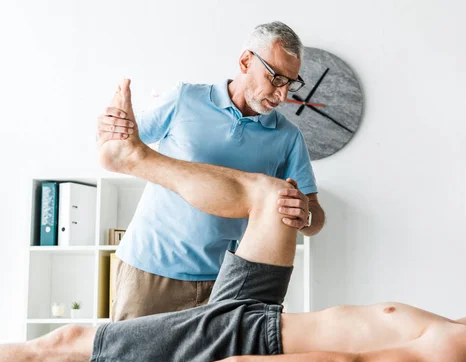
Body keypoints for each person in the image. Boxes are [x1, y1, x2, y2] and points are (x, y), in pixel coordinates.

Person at [0, 81, 466, 362]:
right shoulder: (453, 333)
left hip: (243, 336)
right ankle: (136, 159)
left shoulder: (462, 346)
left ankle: (135, 159)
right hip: (259, 309)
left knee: (64, 344)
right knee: (274, 196)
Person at [96, 21, 325, 321]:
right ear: (245, 61)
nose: (283, 96)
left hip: (227, 282)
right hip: (150, 268)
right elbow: (123, 143)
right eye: (276, 79)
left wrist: (304, 215)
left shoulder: (288, 137)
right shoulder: (184, 99)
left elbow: (316, 218)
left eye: (291, 84)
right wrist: (110, 126)